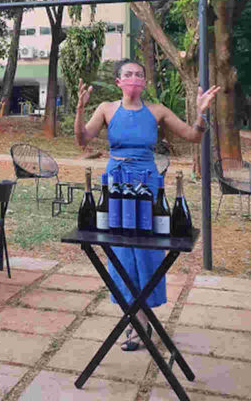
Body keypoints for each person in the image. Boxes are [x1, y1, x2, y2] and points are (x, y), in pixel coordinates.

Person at [74, 59, 219, 351]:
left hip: (147, 182)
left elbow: (193, 136)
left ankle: (142, 315)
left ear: (145, 81)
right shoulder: (106, 109)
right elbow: (81, 140)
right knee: (120, 248)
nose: (134, 78)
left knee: (147, 249)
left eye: (139, 74)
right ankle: (135, 318)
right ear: (118, 81)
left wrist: (202, 113)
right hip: (116, 183)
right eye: (128, 74)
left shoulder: (157, 111)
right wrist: (79, 109)